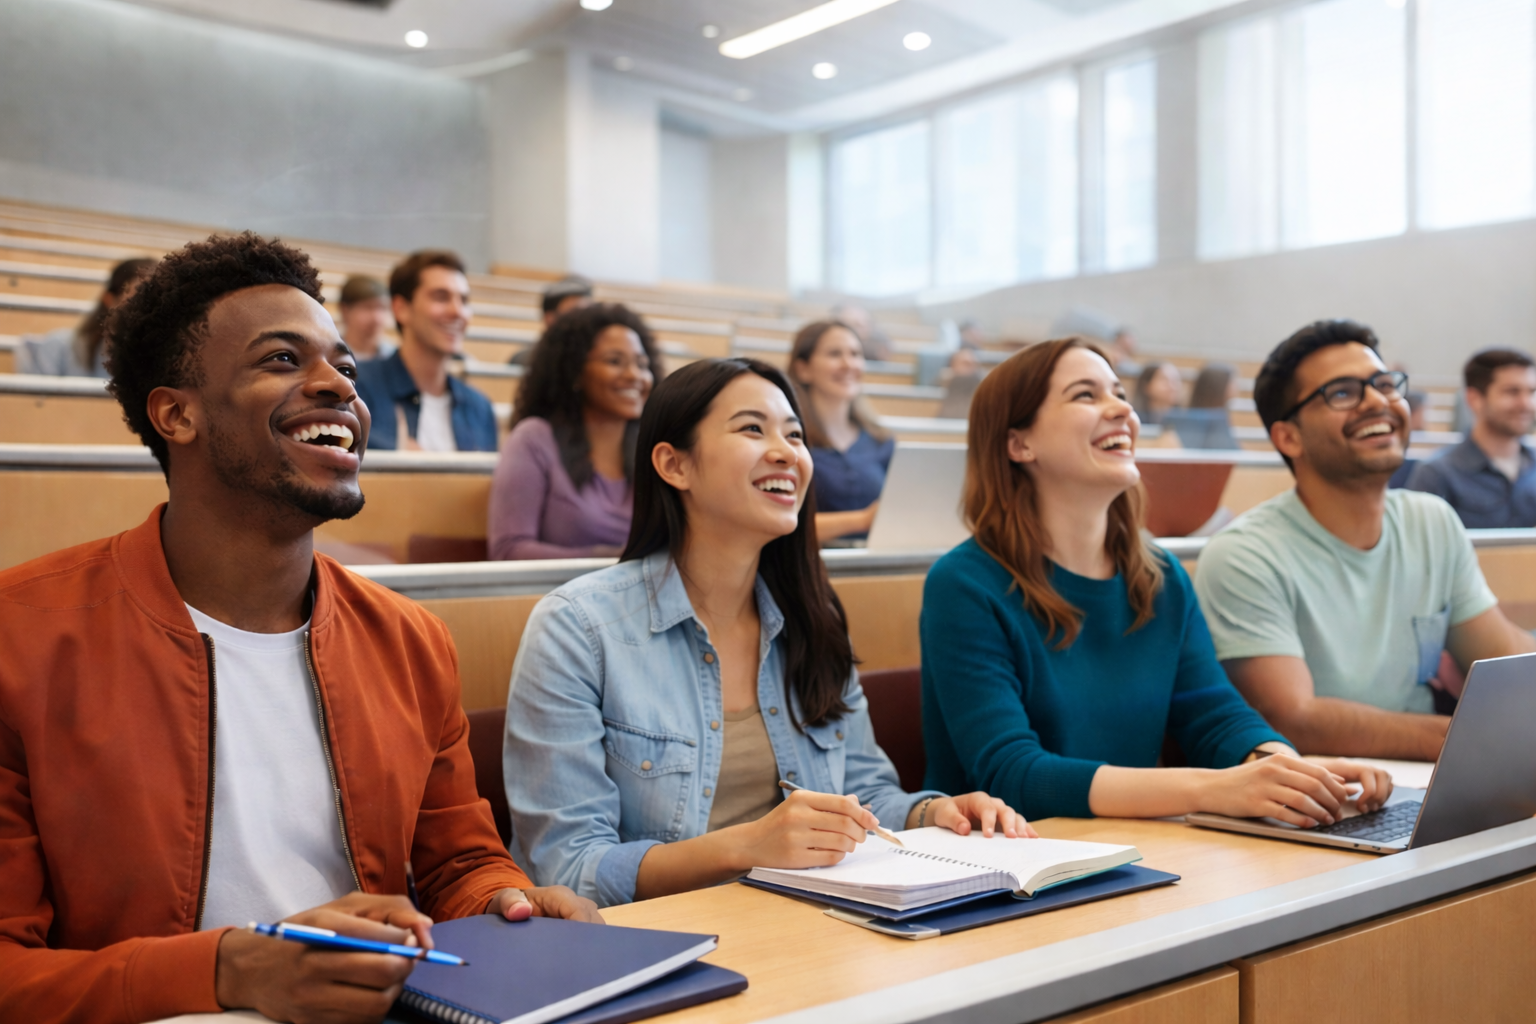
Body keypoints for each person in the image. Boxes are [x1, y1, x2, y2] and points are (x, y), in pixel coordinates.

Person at [0, 233, 598, 1023]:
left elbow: (459, 864)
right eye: (282, 359)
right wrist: (226, 971)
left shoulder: (410, 640)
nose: (339, 386)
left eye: (345, 367)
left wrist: (505, 902)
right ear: (176, 414)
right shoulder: (20, 637)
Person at [504, 358, 1028, 908]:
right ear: (674, 465)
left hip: (805, 925)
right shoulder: (578, 628)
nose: (787, 453)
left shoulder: (813, 619)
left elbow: (864, 794)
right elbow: (569, 867)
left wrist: (932, 812)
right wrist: (746, 847)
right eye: (753, 429)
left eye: (795, 435)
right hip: (655, 939)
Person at [918, 338, 1390, 825]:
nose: (1122, 409)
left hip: (1130, 846)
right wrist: (1213, 788)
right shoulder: (964, 584)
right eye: (1086, 395)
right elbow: (1011, 774)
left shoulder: (1160, 576)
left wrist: (1291, 771)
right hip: (1003, 859)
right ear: (1020, 444)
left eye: (1120, 393)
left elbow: (1213, 714)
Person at [1194, 320, 1535, 761]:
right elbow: (1293, 718)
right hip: (1324, 788)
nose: (1377, 401)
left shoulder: (1431, 521)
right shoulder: (1245, 555)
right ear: (1288, 437)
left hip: (1430, 780)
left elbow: (1504, 657)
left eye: (1385, 384)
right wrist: (1469, 740)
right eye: (1342, 393)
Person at [489, 304, 662, 560]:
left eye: (642, 364)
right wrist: (616, 561)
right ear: (575, 371)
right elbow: (508, 551)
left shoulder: (655, 449)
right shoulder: (534, 439)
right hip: (559, 586)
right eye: (615, 361)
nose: (634, 375)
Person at [354, 250, 498, 452]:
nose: (457, 311)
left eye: (464, 301)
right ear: (401, 309)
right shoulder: (357, 388)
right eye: (441, 298)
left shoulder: (480, 408)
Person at [788, 320, 895, 542]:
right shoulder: (788, 441)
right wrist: (862, 520)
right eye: (835, 354)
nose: (849, 364)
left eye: (855, 354)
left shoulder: (881, 440)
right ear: (803, 369)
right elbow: (778, 525)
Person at [1406, 348, 1536, 528]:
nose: (1526, 404)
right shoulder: (1437, 474)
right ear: (1474, 399)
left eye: (1532, 392)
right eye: (1512, 392)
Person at [15, 256, 157, 377]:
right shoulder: (58, 348)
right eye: (138, 298)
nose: (149, 310)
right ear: (109, 300)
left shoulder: (157, 364)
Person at [510, 276, 595, 368]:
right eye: (574, 314)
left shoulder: (596, 358)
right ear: (550, 318)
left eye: (588, 314)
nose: (584, 321)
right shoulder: (527, 360)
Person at [1166, 362, 1240, 450]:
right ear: (1219, 385)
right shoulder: (1212, 420)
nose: (1236, 386)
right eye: (1232, 382)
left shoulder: (1220, 416)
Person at [335, 274, 395, 361]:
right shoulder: (330, 355)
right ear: (345, 310)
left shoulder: (394, 356)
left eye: (382, 308)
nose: (376, 318)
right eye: (367, 307)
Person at [829, 302, 893, 362]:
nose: (864, 328)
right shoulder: (836, 344)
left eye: (866, 323)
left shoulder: (876, 345)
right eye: (856, 324)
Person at [937, 344, 983, 419]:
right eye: (966, 364)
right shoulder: (941, 382)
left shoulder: (981, 386)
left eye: (974, 364)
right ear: (953, 365)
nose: (971, 368)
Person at [1132, 361, 1183, 426]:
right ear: (1146, 386)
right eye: (1164, 380)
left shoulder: (1184, 420)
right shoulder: (1133, 418)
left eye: (1176, 380)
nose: (1172, 386)